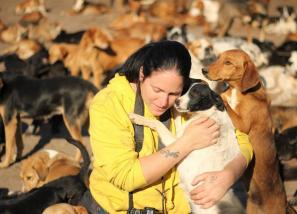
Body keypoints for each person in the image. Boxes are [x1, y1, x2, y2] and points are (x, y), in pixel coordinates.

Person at [87, 40, 253, 213]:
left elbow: (242, 139)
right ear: (142, 74)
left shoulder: (192, 95)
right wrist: (186, 143)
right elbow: (126, 176)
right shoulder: (109, 104)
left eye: (174, 93)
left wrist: (228, 175)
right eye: (157, 90)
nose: (164, 101)